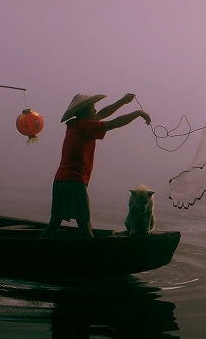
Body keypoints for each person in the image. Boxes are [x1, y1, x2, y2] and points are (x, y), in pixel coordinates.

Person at [41, 93, 151, 238]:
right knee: (85, 228)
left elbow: (103, 113)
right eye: (92, 108)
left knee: (54, 223)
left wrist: (123, 101)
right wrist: (138, 113)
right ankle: (94, 257)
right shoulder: (85, 126)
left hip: (60, 180)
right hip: (75, 181)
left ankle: (40, 249)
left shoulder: (76, 124)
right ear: (83, 111)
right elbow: (114, 123)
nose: (95, 110)